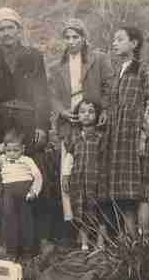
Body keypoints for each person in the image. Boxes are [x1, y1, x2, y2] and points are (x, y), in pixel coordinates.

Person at [0, 7, 51, 238]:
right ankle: (8, 235)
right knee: (3, 176)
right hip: (0, 124)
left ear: (19, 29)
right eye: (1, 29)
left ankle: (38, 235)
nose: (6, 33)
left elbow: (42, 93)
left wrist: (42, 126)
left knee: (33, 172)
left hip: (28, 122)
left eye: (10, 27)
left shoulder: (34, 56)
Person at [47, 18, 113, 224]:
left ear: (84, 38)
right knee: (69, 168)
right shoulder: (57, 66)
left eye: (76, 37)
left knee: (97, 168)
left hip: (92, 118)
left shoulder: (99, 59)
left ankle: (102, 223)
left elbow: (108, 87)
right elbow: (51, 95)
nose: (71, 41)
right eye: (67, 37)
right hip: (69, 121)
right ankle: (74, 221)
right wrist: (62, 112)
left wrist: (104, 109)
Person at [105, 26, 149, 237]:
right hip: (119, 139)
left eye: (120, 39)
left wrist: (143, 136)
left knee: (143, 192)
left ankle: (144, 241)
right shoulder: (117, 72)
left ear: (134, 44)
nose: (114, 43)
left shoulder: (143, 69)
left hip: (137, 137)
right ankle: (130, 242)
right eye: (114, 39)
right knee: (125, 192)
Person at [61, 99, 108, 251]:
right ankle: (84, 243)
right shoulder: (74, 138)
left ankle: (101, 242)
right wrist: (66, 176)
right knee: (82, 212)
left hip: (97, 181)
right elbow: (69, 158)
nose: (86, 115)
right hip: (79, 181)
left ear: (97, 115)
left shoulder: (101, 137)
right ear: (77, 116)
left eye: (91, 111)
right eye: (82, 112)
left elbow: (105, 159)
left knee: (100, 210)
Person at [0, 128, 43, 260]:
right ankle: (12, 251)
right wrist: (1, 146)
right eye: (8, 150)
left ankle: (27, 251)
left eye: (16, 150)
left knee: (26, 221)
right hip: (9, 193)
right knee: (10, 220)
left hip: (25, 194)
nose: (12, 154)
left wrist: (34, 191)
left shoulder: (27, 160)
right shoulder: (3, 160)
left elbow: (38, 176)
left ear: (23, 149)